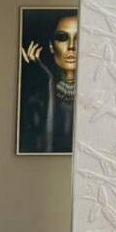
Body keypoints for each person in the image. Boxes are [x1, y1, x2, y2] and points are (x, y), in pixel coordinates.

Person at [19, 13, 78, 153]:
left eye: (79, 38)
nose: (71, 47)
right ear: (51, 46)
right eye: (62, 38)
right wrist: (46, 82)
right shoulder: (39, 89)